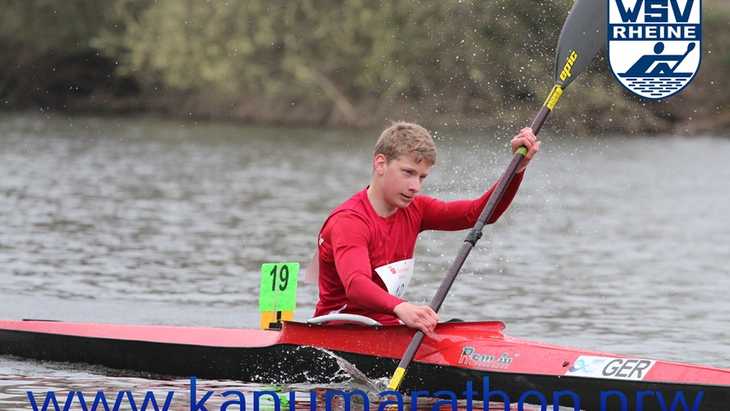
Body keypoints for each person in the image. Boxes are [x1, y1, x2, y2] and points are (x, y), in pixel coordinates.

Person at [312, 122, 539, 334]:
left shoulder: (416, 210)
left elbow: (480, 213)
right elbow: (357, 285)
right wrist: (403, 308)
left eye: (422, 177)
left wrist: (516, 169)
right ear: (380, 164)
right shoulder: (350, 221)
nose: (415, 187)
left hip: (389, 330)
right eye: (408, 173)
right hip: (339, 331)